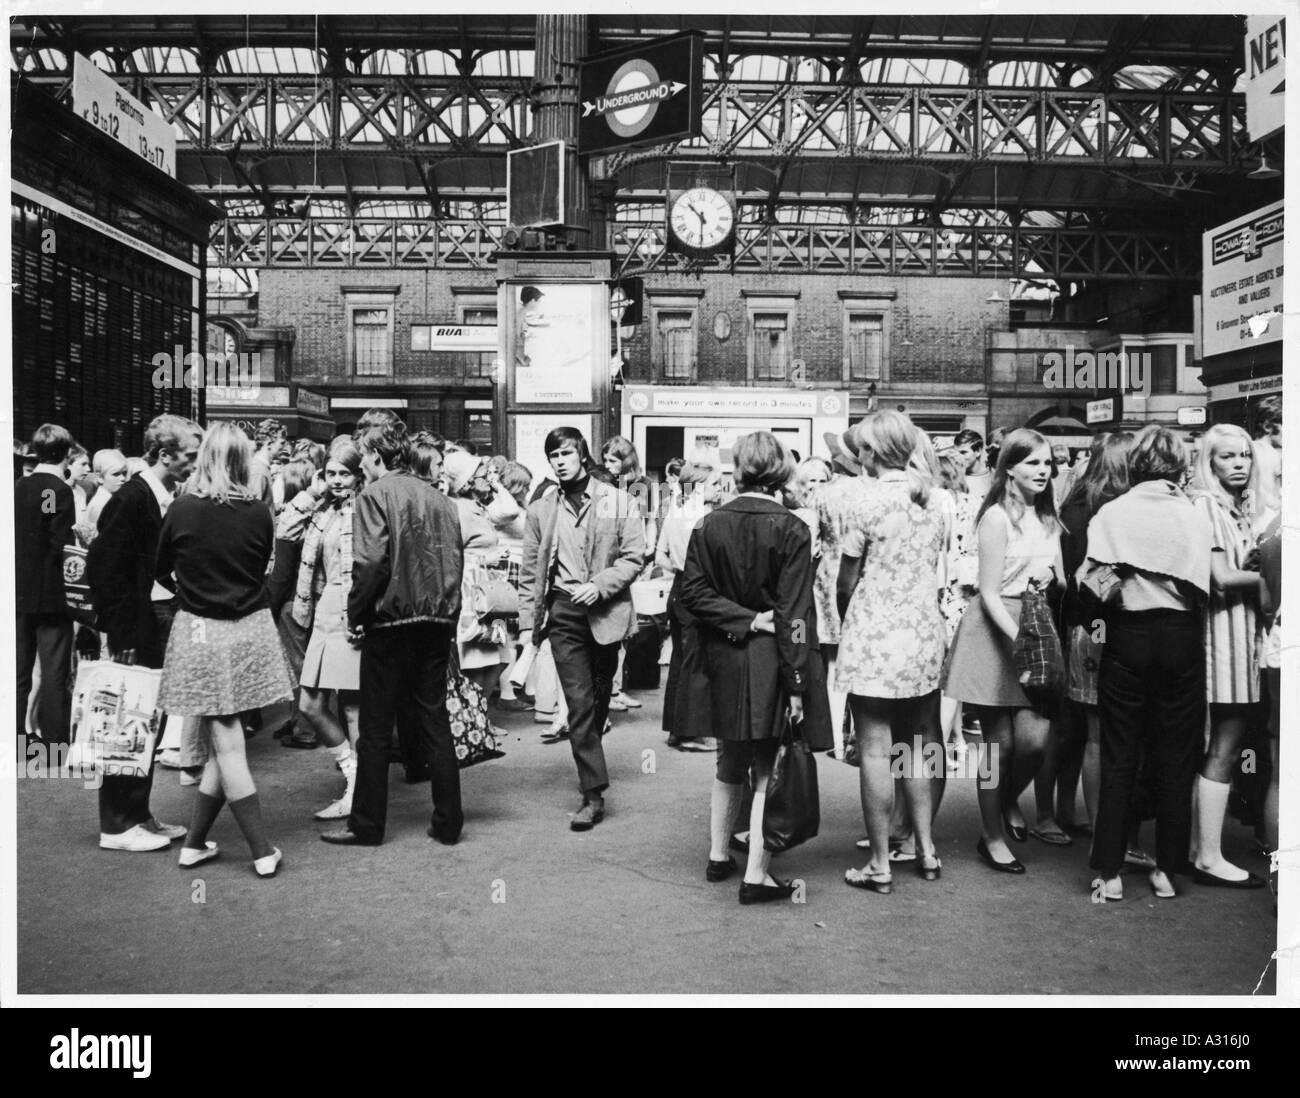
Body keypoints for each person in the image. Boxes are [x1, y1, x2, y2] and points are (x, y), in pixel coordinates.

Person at [678, 431, 833, 903]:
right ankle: (757, 876)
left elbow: (693, 595)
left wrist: (743, 619)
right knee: (768, 767)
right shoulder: (792, 529)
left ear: (739, 468)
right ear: (782, 472)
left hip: (722, 657)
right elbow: (796, 618)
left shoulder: (708, 525)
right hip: (773, 663)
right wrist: (798, 681)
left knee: (729, 761)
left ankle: (718, 855)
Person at [1079, 426, 1213, 901]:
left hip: (1129, 635)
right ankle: (1167, 871)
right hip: (1180, 637)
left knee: (1120, 754)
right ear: (1179, 464)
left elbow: (1092, 582)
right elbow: (1204, 583)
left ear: (1135, 462)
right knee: (1176, 756)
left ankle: (1110, 871)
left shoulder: (1112, 512)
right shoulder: (1194, 515)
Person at [156, 422, 294, 877]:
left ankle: (198, 845)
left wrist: (191, 590)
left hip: (198, 632)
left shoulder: (180, 509)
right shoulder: (259, 513)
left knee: (225, 745)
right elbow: (261, 568)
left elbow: (160, 571)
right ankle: (259, 850)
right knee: (227, 745)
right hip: (249, 630)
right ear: (242, 460)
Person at [321, 414, 465, 847]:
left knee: (376, 728)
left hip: (392, 620)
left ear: (374, 455)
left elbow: (370, 565)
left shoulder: (374, 496)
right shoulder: (441, 499)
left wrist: (357, 615)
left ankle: (367, 825)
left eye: (362, 456)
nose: (360, 465)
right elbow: (455, 561)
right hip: (437, 621)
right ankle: (448, 821)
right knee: (434, 720)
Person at [941, 428, 1063, 874]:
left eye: (1048, 464)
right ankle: (991, 835)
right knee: (998, 746)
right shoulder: (995, 517)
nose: (1043, 471)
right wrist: (1023, 640)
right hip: (996, 631)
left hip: (1033, 620)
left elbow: (1058, 579)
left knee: (1034, 742)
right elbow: (989, 593)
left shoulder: (1050, 517)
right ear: (1009, 467)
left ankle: (1007, 797)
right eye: (1033, 462)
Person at [837, 411, 948, 893]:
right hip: (924, 633)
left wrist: (854, 617)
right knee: (920, 745)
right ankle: (926, 848)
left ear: (869, 452)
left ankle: (880, 863)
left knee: (877, 749)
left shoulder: (861, 503)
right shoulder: (937, 501)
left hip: (875, 637)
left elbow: (846, 581)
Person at [518, 427, 645, 831]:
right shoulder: (542, 508)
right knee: (578, 701)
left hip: (605, 611)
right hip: (562, 611)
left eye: (566, 452)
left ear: (582, 454)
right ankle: (593, 794)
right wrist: (527, 628)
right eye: (552, 453)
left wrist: (600, 584)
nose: (559, 460)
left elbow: (633, 556)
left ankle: (591, 753)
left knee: (599, 695)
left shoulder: (616, 501)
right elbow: (529, 573)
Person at [86, 414, 202, 851]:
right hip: (135, 626)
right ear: (164, 454)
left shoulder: (155, 495)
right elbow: (104, 568)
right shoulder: (134, 498)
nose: (194, 464)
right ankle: (117, 824)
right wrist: (123, 636)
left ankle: (137, 814)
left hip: (148, 621)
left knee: (144, 722)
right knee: (128, 722)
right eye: (189, 456)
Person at [1187, 423, 1266, 888]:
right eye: (1227, 457)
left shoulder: (1235, 507)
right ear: (1208, 462)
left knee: (1223, 745)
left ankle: (1203, 847)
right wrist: (1274, 574)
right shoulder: (1208, 505)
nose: (1239, 464)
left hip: (1240, 635)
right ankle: (1208, 855)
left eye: (1245, 456)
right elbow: (1220, 577)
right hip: (1223, 638)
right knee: (1224, 744)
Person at [1054, 432, 1133, 838]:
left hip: (1079, 626)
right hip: (1109, 625)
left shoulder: (1073, 506)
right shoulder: (1118, 509)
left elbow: (1067, 576)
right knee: (1102, 733)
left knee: (1081, 728)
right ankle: (1105, 825)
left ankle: (1067, 809)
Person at [291, 437, 365, 819]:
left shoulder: (364, 508)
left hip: (351, 612)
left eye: (345, 473)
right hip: (322, 610)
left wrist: (364, 615)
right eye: (331, 473)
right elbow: (285, 527)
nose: (337, 480)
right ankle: (354, 774)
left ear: (359, 474)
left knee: (353, 707)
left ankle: (357, 790)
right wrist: (313, 489)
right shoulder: (324, 508)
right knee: (310, 705)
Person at [656, 452, 723, 752]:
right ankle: (692, 733)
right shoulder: (704, 519)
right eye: (716, 484)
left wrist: (679, 566)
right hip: (700, 590)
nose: (720, 489)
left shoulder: (674, 512)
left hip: (678, 588)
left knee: (681, 661)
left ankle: (676, 728)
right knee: (698, 661)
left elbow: (661, 557)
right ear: (698, 486)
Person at [15, 423, 77, 746]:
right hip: (51, 597)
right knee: (54, 673)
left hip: (18, 594)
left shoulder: (18, 487)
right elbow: (58, 544)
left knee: (19, 672)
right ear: (67, 453)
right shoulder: (56, 490)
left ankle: (14, 740)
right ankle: (55, 744)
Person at [815, 424, 872, 759]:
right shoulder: (869, 492)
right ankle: (857, 738)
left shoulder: (823, 494)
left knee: (832, 665)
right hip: (860, 577)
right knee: (860, 664)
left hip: (826, 579)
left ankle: (834, 737)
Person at [601, 435, 655, 712]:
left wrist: (649, 552)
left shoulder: (643, 486)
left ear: (627, 460)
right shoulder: (602, 483)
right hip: (611, 561)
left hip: (633, 558)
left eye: (614, 459)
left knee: (624, 628)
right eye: (606, 459)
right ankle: (612, 689)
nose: (608, 464)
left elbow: (650, 520)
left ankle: (615, 688)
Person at [81, 449, 129, 540]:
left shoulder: (108, 498)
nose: (123, 478)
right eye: (116, 474)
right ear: (100, 477)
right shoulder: (101, 503)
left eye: (124, 473)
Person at [1250, 395, 1282, 516]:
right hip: (1270, 518)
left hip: (1253, 517)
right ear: (1267, 427)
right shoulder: (1274, 455)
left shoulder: (1248, 450)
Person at [952, 428, 992, 499]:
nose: (958, 457)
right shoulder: (953, 478)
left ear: (978, 451)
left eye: (963, 452)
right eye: (956, 453)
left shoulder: (992, 477)